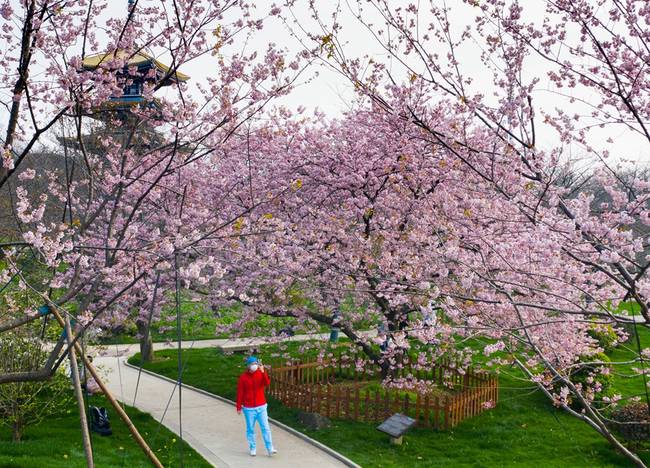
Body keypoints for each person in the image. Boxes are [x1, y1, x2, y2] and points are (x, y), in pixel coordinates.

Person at [236, 356, 277, 457]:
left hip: (261, 407)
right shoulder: (243, 377)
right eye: (252, 364)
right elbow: (240, 392)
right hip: (249, 408)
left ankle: (270, 448)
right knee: (250, 429)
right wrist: (239, 406)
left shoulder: (260, 374)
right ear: (248, 366)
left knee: (266, 428)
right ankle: (253, 447)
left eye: (256, 363)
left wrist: (263, 372)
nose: (254, 365)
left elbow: (267, 383)